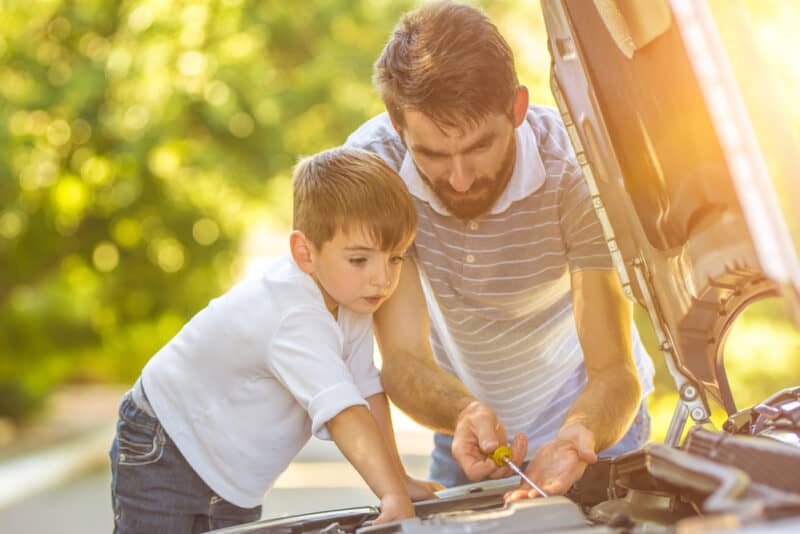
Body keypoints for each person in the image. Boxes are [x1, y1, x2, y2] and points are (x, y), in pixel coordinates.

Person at [345, 0, 655, 499]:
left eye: (479, 147)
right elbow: (402, 358)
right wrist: (465, 414)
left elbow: (613, 370)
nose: (460, 179)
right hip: (465, 425)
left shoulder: (576, 172)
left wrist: (578, 437)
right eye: (432, 154)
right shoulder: (374, 172)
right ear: (397, 124)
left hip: (592, 426)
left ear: (517, 107)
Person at [109, 146, 440, 533]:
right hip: (166, 441)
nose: (382, 278)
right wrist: (391, 496)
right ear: (304, 252)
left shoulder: (351, 301)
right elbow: (344, 413)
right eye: (360, 260)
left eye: (395, 258)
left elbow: (366, 391)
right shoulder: (293, 313)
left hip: (232, 475)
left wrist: (396, 482)